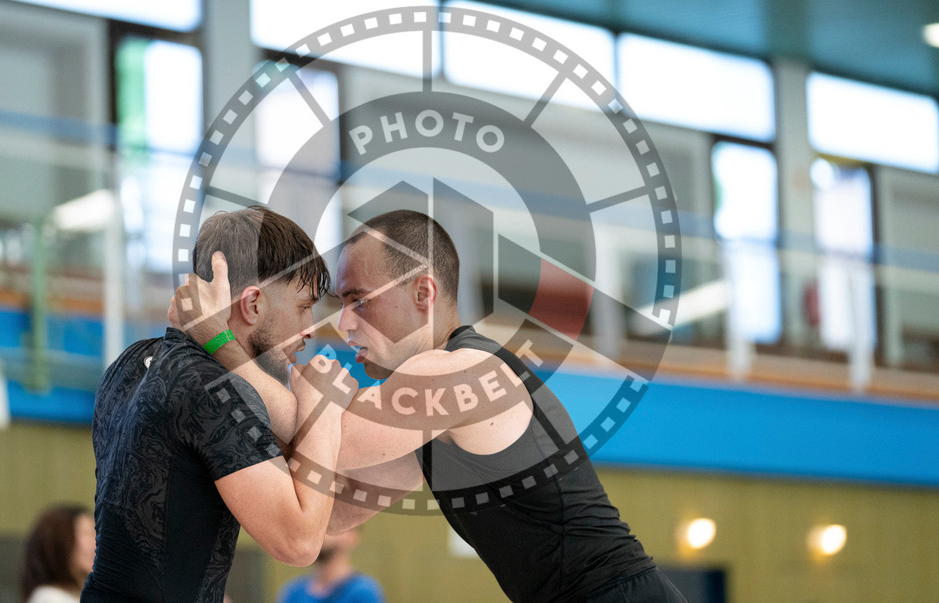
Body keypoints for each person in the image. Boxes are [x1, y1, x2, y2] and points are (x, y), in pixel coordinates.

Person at [177, 210, 686, 602]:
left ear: (423, 292)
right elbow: (331, 510)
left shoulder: (457, 371)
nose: (345, 324)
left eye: (359, 300)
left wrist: (221, 340)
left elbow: (327, 433)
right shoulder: (429, 417)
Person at [84, 206, 357, 602]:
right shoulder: (214, 391)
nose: (310, 329)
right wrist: (327, 408)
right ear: (252, 304)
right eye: (303, 307)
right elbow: (298, 542)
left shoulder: (128, 364)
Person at [276, 528, 384, 603]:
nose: (322, 532)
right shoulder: (293, 592)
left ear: (352, 536)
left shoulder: (363, 593)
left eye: (330, 526)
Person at [19, 504, 96, 603]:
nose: (96, 543)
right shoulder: (49, 597)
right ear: (60, 544)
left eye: (95, 534)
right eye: (87, 534)